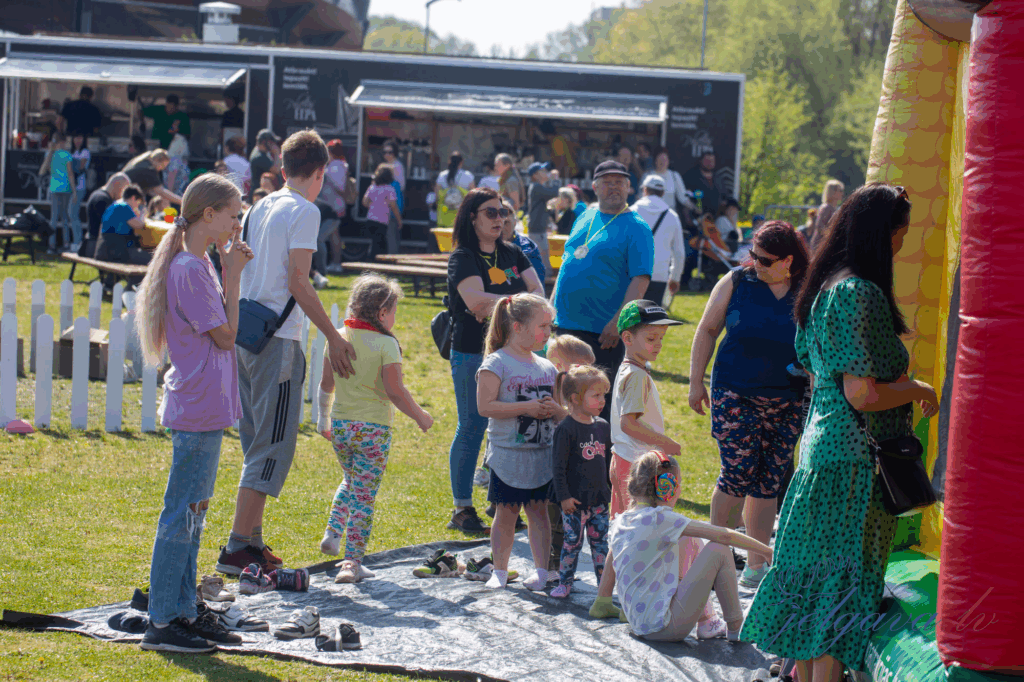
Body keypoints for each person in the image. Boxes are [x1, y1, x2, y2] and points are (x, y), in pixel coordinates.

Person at [741, 184, 940, 682]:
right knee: (841, 592)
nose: (900, 245)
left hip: (819, 452)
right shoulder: (860, 293)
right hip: (853, 463)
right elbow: (861, 394)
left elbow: (818, 374)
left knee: (815, 592)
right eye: (899, 234)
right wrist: (917, 389)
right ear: (879, 234)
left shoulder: (824, 287)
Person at [216, 130, 358, 576]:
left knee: (256, 442)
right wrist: (334, 336)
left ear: (282, 169)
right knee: (272, 445)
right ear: (321, 173)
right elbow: (299, 280)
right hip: (277, 339)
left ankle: (252, 541)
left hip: (247, 329)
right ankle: (238, 545)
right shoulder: (306, 210)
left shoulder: (262, 203)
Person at [134, 173, 252, 653]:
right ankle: (163, 620)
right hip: (198, 407)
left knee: (192, 517)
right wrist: (235, 275)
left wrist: (225, 269)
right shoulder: (190, 268)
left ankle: (182, 608)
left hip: (204, 405)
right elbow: (227, 335)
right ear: (209, 215)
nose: (236, 223)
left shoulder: (196, 263)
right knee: (181, 516)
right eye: (233, 214)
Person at [688, 221, 810, 589]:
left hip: (787, 398)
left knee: (769, 479)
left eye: (764, 259)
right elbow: (707, 330)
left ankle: (756, 564)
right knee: (738, 471)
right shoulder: (736, 281)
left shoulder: (808, 288)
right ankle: (714, 555)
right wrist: (696, 381)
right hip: (735, 392)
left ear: (788, 260)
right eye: (753, 254)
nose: (754, 262)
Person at [592, 300, 722, 628]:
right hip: (638, 468)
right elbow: (629, 424)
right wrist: (667, 445)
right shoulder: (636, 376)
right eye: (651, 338)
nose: (658, 345)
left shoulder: (629, 370)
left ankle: (604, 599)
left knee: (622, 532)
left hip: (623, 461)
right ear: (626, 337)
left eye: (661, 338)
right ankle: (637, 601)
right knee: (651, 533)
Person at [316, 274, 433, 582]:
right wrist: (421, 415)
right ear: (382, 313)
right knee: (364, 497)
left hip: (340, 426)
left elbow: (325, 385)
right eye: (394, 312)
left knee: (351, 480)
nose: (395, 318)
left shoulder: (337, 338)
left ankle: (332, 531)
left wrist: (322, 419)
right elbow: (395, 391)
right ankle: (351, 563)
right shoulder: (386, 344)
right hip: (373, 431)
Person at [446, 188, 544, 534]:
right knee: (472, 425)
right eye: (490, 213)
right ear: (472, 217)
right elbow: (475, 303)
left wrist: (501, 301)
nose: (499, 219)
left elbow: (540, 294)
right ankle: (462, 509)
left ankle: (501, 501)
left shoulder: (513, 252)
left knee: (507, 426)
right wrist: (518, 300)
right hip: (473, 353)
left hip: (516, 354)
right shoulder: (463, 257)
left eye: (502, 212)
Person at [607, 451, 772, 643]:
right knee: (720, 549)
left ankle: (707, 622)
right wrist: (766, 551)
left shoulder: (622, 520)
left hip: (640, 624)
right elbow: (724, 535)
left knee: (688, 539)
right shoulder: (660, 519)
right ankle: (736, 627)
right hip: (663, 628)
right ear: (666, 487)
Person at [550, 160, 654, 423]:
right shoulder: (585, 216)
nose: (614, 187)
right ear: (595, 187)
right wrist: (549, 309)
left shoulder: (637, 227)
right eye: (607, 182)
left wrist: (619, 322)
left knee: (595, 406)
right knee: (563, 399)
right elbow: (566, 264)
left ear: (629, 187)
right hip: (565, 324)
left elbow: (640, 280)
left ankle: (597, 460)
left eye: (619, 182)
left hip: (602, 332)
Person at [477, 293, 564, 590]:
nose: (548, 333)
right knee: (506, 514)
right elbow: (485, 407)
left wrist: (557, 411)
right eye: (542, 326)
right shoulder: (497, 362)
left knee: (539, 513)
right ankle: (499, 572)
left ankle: (542, 571)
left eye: (550, 326)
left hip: (541, 455)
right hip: (508, 455)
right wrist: (525, 408)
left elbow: (559, 411)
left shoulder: (547, 368)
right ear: (517, 326)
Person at [548, 364, 612, 598]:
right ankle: (565, 582)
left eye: (603, 395)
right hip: (574, 504)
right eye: (595, 395)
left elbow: (607, 463)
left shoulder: (603, 427)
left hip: (599, 503)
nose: (602, 400)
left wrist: (610, 492)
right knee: (572, 544)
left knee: (601, 546)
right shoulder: (566, 429)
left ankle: (604, 587)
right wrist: (563, 497)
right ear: (575, 398)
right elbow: (558, 467)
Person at [541, 334, 597, 572]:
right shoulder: (555, 385)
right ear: (560, 367)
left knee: (566, 522)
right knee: (551, 518)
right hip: (550, 468)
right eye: (583, 367)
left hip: (570, 470)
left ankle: (561, 567)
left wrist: (558, 411)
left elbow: (581, 422)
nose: (589, 373)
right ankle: (549, 566)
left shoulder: (581, 394)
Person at [631, 175, 685, 306]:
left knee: (628, 320)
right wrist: (675, 278)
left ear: (644, 190)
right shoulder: (672, 216)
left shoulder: (631, 212)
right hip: (659, 274)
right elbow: (679, 253)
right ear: (663, 193)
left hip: (632, 273)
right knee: (651, 321)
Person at [94, 183, 152, 287]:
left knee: (139, 257)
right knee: (150, 259)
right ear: (134, 198)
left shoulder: (114, 205)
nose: (137, 207)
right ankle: (131, 289)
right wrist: (143, 213)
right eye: (138, 204)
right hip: (115, 252)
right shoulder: (124, 207)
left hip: (103, 250)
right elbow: (139, 225)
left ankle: (110, 283)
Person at [314, 139, 350, 280]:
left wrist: (326, 175)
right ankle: (335, 263)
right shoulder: (341, 165)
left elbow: (339, 187)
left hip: (335, 205)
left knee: (334, 235)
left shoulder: (336, 166)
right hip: (334, 204)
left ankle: (336, 263)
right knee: (333, 235)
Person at [39, 134, 77, 252]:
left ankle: (52, 245)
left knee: (53, 218)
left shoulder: (50, 155)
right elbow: (70, 174)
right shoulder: (67, 155)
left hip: (55, 188)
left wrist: (51, 151)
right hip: (65, 188)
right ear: (63, 142)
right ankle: (65, 244)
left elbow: (44, 170)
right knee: (64, 217)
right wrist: (74, 190)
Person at [500, 197, 545, 284]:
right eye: (498, 222)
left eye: (506, 223)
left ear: (515, 222)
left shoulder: (528, 250)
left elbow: (537, 287)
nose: (501, 227)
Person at [84, 173, 130, 256]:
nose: (123, 197)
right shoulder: (104, 200)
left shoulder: (97, 194)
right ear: (117, 185)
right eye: (124, 191)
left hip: (91, 243)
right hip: (98, 246)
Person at [362, 164, 401, 258]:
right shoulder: (389, 189)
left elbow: (365, 202)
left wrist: (374, 206)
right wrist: (399, 220)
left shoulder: (373, 187)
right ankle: (374, 263)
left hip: (370, 218)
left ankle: (372, 261)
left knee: (375, 242)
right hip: (382, 220)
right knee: (380, 244)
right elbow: (393, 206)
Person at [526, 161, 559, 269]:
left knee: (541, 258)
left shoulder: (537, 186)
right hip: (537, 230)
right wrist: (555, 180)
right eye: (543, 171)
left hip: (538, 229)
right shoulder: (536, 187)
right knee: (542, 260)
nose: (546, 173)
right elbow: (553, 192)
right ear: (535, 175)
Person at [643, 147, 692, 218]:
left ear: (668, 161)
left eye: (665, 159)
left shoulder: (674, 176)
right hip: (650, 216)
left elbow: (683, 198)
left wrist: (695, 208)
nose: (662, 162)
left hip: (669, 217)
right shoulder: (647, 175)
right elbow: (640, 197)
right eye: (660, 159)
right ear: (655, 161)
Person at [436, 151, 475, 228]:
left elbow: (437, 195)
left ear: (449, 161)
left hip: (444, 216)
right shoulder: (468, 176)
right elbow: (474, 194)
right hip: (461, 214)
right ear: (461, 162)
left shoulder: (442, 175)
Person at [682, 151, 721, 219]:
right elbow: (685, 195)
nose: (709, 163)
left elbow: (724, 196)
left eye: (712, 161)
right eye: (707, 160)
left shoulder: (718, 178)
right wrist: (693, 207)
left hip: (715, 217)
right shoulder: (691, 176)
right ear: (701, 161)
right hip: (697, 216)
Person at [810, 179, 845, 251]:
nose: (842, 193)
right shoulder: (826, 208)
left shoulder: (832, 208)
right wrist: (832, 238)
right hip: (820, 247)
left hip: (825, 246)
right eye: (840, 190)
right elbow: (820, 226)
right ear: (833, 192)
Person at [249, 129, 282, 200]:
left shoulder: (261, 152)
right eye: (272, 142)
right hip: (259, 195)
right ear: (265, 142)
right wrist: (277, 153)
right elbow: (276, 170)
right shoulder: (259, 156)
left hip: (262, 194)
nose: (274, 145)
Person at [71, 135, 91, 242]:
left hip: (79, 187)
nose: (77, 140)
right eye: (75, 137)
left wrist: (71, 166)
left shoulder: (85, 152)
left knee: (73, 213)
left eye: (80, 138)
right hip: (70, 187)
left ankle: (77, 241)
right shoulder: (72, 152)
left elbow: (80, 167)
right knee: (71, 214)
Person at [164, 134, 191, 198]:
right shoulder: (175, 160)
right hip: (175, 195)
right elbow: (171, 177)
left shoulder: (178, 160)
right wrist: (169, 196)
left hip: (178, 194)